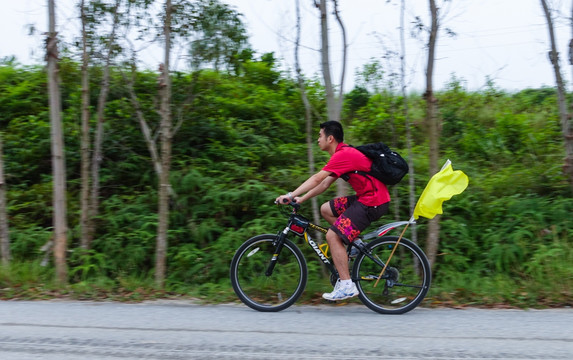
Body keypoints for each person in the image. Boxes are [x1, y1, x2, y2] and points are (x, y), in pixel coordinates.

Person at [276, 121, 390, 301]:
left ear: (330, 138)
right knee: (326, 209)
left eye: (320, 135)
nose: (317, 139)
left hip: (372, 201)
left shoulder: (343, 155)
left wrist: (290, 195)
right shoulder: (341, 155)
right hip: (366, 197)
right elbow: (324, 184)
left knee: (332, 236)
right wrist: (301, 199)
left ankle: (346, 285)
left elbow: (316, 178)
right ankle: (356, 244)